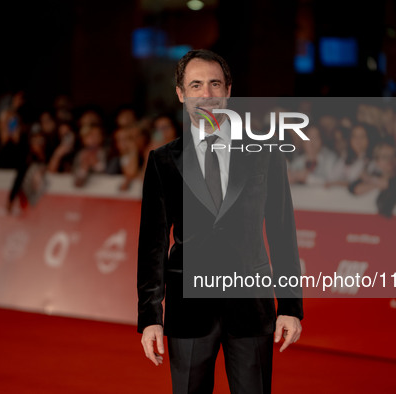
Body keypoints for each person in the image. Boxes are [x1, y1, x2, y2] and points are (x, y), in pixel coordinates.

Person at [137, 49, 303, 394]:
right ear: (181, 94)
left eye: (215, 84)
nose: (207, 95)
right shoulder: (163, 161)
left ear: (228, 90)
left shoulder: (266, 153)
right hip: (188, 311)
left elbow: (282, 232)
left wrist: (290, 306)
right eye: (195, 85)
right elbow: (152, 245)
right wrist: (150, 317)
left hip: (252, 307)